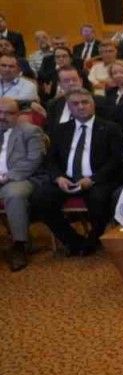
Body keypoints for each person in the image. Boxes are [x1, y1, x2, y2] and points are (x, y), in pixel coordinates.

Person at [32, 88, 123, 256]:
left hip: (97, 180)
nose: (80, 107)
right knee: (40, 198)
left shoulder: (110, 128)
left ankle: (93, 240)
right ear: (69, 107)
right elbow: (50, 160)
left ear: (93, 104)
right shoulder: (60, 129)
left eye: (85, 102)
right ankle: (73, 241)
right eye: (75, 104)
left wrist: (93, 179)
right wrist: (58, 178)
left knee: (98, 199)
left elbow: (116, 161)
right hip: (67, 179)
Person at [0, 96, 46, 271]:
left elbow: (33, 160)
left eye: (8, 113)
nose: (2, 117)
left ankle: (19, 245)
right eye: (0, 112)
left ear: (18, 114)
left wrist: (6, 177)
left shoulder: (31, 131)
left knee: (14, 194)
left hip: (20, 178)